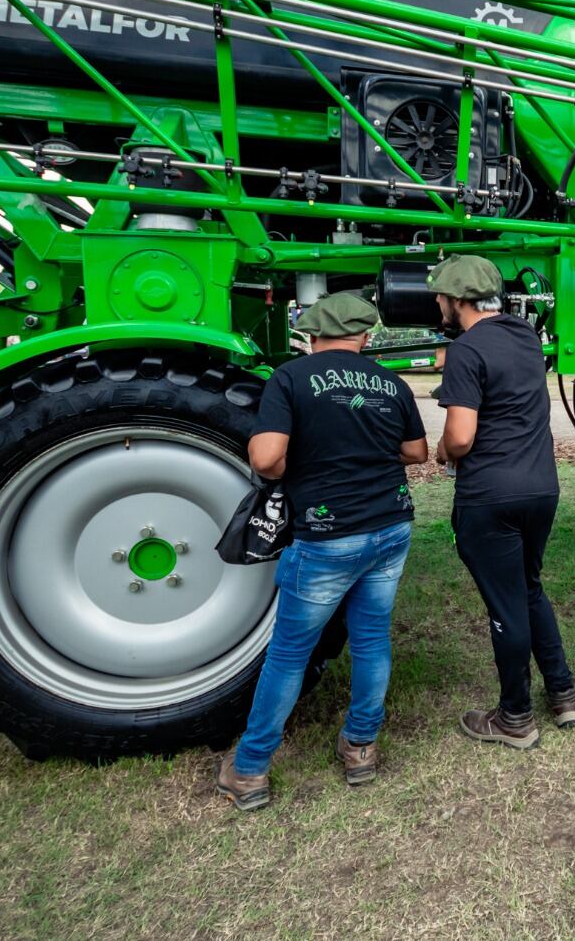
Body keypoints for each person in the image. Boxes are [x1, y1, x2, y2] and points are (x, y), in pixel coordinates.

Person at [216, 293, 429, 811]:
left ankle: (249, 769)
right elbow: (417, 452)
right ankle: (360, 749)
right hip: (391, 527)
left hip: (328, 538)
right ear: (365, 337)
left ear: (311, 335)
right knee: (372, 637)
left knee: (289, 653)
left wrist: (293, 462)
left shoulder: (291, 378)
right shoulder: (391, 382)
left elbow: (268, 458)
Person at [430, 254, 575, 750]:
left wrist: (442, 451)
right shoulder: (526, 338)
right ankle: (561, 693)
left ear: (457, 301)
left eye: (440, 297)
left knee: (506, 605)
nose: (436, 304)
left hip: (490, 495)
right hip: (541, 488)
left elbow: (462, 437)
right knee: (529, 587)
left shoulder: (467, 351)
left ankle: (515, 717)